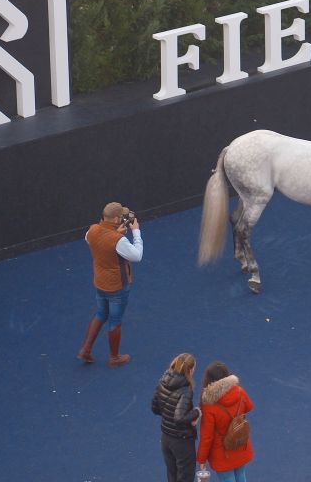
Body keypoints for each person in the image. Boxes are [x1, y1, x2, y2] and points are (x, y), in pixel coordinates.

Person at [77, 202, 142, 365]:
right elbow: (137, 256)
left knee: (100, 313)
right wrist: (136, 232)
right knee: (115, 320)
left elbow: (96, 240)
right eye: (121, 217)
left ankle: (85, 349)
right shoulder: (118, 240)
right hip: (117, 286)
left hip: (100, 283)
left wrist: (114, 231)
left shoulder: (92, 231)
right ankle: (114, 357)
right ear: (115, 219)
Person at [196, 362, 253, 482]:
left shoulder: (209, 405)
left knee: (228, 478)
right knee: (241, 475)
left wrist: (201, 459)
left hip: (222, 452)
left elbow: (207, 437)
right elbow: (249, 406)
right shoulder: (239, 391)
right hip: (239, 444)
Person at [152, 353, 200, 482]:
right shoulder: (186, 390)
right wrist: (196, 412)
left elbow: (155, 408)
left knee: (172, 475)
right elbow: (179, 418)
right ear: (190, 370)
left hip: (166, 438)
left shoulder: (162, 380)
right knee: (185, 477)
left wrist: (168, 411)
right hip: (182, 442)